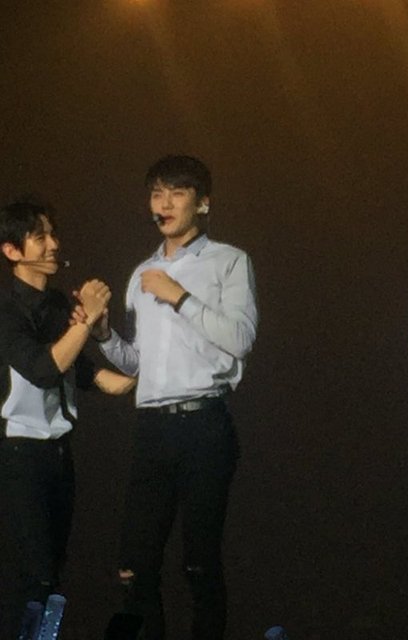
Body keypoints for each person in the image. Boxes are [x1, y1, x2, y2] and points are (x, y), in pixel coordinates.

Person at [84, 155, 257, 640]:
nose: (164, 203)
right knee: (134, 564)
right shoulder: (143, 271)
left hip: (204, 423)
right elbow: (139, 363)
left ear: (202, 203)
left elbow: (241, 338)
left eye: (177, 193)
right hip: (153, 427)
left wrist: (178, 295)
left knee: (199, 561)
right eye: (157, 193)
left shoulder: (228, 261)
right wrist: (103, 334)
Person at [0, 200, 135, 640]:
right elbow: (44, 369)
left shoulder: (58, 303)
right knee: (34, 576)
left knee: (53, 574)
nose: (54, 244)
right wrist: (86, 319)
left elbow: (82, 371)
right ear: (11, 251)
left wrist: (146, 381)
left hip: (58, 455)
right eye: (39, 237)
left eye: (53, 234)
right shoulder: (6, 311)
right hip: (18, 454)